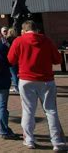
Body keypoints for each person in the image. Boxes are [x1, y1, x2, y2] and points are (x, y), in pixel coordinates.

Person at [7, 20, 66, 150]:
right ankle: (57, 141)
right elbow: (58, 59)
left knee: (28, 110)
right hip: (46, 80)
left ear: (23, 30)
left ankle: (29, 140)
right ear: (37, 30)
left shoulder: (19, 41)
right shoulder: (46, 40)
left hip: (26, 79)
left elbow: (10, 60)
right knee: (51, 111)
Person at [4, 27, 19, 94]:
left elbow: (6, 48)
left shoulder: (7, 39)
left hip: (10, 57)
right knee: (17, 72)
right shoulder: (17, 39)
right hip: (17, 57)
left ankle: (16, 87)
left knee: (13, 73)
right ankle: (18, 85)